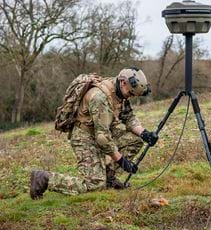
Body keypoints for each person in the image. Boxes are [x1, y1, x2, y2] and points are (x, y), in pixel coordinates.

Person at [30, 67, 158, 199]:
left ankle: (109, 178)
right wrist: (121, 160)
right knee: (95, 186)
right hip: (84, 138)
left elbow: (128, 116)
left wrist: (144, 133)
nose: (130, 97)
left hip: (101, 133)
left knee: (134, 140)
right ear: (123, 82)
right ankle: (44, 179)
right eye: (130, 94)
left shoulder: (119, 91)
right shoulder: (100, 97)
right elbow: (103, 139)